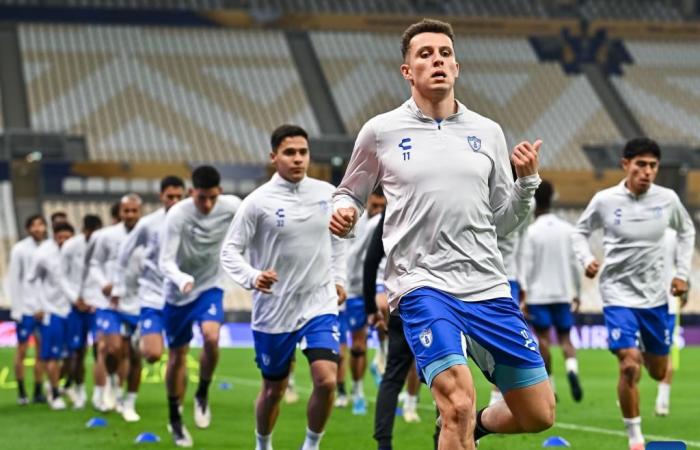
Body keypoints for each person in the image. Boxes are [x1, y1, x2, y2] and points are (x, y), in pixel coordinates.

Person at [330, 19, 553, 450]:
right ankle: (461, 425)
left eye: (445, 53)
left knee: (538, 412)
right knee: (456, 405)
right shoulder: (380, 131)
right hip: (422, 285)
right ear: (406, 71)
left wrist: (527, 184)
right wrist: (342, 212)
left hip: (487, 286)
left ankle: (482, 426)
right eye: (425, 54)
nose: (437, 60)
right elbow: (348, 193)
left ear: (457, 66)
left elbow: (502, 222)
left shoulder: (487, 132)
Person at [221, 124, 347, 450]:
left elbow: (341, 240)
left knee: (327, 380)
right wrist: (252, 277)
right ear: (273, 156)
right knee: (273, 390)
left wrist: (339, 279)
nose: (297, 159)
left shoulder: (326, 193)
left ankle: (311, 445)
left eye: (303, 152)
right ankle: (263, 444)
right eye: (289, 153)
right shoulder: (257, 202)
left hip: (319, 302)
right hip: (275, 309)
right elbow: (229, 252)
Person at [572, 137, 695, 450]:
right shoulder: (605, 200)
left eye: (653, 165)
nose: (647, 171)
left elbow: (687, 231)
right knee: (629, 364)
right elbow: (580, 233)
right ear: (625, 165)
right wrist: (586, 259)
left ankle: (644, 368)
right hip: (617, 297)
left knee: (657, 370)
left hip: (655, 300)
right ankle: (635, 439)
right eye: (641, 164)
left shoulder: (667, 199)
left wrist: (682, 274)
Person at [160, 165, 242, 447]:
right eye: (200, 198)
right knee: (177, 356)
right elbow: (165, 260)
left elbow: (255, 228)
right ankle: (175, 416)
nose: (206, 204)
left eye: (212, 198)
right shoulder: (178, 214)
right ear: (191, 192)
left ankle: (203, 393)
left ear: (219, 192)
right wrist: (181, 278)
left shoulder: (232, 206)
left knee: (211, 336)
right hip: (178, 293)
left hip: (210, 286)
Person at [519, 180, 583, 402]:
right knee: (566, 338)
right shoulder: (567, 229)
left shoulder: (532, 232)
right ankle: (572, 368)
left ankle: (551, 386)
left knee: (543, 340)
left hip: (539, 295)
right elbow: (576, 264)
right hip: (563, 293)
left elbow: (526, 265)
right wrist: (578, 293)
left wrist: (524, 294)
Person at [113, 176, 185, 367]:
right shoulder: (148, 224)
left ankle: (177, 397)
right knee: (153, 355)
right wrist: (117, 287)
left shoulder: (191, 221)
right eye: (170, 196)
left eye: (179, 196)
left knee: (179, 354)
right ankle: (140, 337)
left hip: (179, 296)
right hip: (152, 295)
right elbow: (123, 253)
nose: (175, 201)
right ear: (161, 196)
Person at [89, 194, 143, 417]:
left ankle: (128, 402)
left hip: (140, 304)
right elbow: (94, 263)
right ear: (119, 212)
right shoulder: (106, 236)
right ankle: (111, 381)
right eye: (126, 211)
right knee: (111, 349)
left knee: (136, 354)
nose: (130, 215)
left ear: (140, 211)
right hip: (110, 304)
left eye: (134, 211)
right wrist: (103, 283)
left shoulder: (150, 234)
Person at [336, 189, 385, 415]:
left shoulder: (380, 225)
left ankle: (357, 392)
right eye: (374, 206)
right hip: (333, 290)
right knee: (337, 349)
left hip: (356, 291)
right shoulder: (348, 218)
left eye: (381, 207)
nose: (378, 211)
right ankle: (340, 390)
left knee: (358, 346)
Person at [30, 221, 75, 410]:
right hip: (52, 311)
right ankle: (55, 394)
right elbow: (31, 280)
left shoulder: (77, 253)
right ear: (54, 236)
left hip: (72, 310)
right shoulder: (43, 255)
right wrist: (37, 306)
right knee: (52, 356)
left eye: (67, 237)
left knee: (73, 355)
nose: (64, 241)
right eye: (60, 237)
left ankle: (62, 385)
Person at [62, 214, 103, 409]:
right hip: (76, 307)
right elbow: (62, 276)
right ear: (84, 230)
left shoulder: (105, 245)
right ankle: (78, 391)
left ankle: (99, 392)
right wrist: (74, 299)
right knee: (77, 351)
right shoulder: (71, 246)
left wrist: (98, 300)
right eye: (90, 232)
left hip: (97, 306)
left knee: (100, 349)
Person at [7, 214, 48, 405]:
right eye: (35, 225)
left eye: (41, 225)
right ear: (28, 229)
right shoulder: (20, 249)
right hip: (25, 310)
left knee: (42, 351)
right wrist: (17, 310)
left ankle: (38, 390)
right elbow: (14, 280)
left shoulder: (49, 248)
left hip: (44, 310)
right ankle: (22, 391)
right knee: (22, 351)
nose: (39, 229)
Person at [655, 228, 686, 416]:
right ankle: (662, 402)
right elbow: (682, 267)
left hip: (642, 302)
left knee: (632, 351)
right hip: (669, 303)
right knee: (666, 352)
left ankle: (627, 392)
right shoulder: (674, 235)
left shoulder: (641, 231)